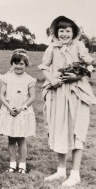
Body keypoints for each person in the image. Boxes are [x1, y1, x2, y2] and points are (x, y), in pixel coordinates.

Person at [39, 16, 96, 187]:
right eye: (61, 31)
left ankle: (75, 173)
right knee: (60, 128)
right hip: (58, 92)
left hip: (76, 92)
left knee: (76, 129)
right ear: (55, 33)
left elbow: (91, 65)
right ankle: (61, 170)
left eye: (68, 31)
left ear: (74, 32)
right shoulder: (51, 48)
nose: (64, 34)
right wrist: (52, 80)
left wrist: (77, 75)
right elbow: (44, 67)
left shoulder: (79, 46)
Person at [0, 49, 36, 174]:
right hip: (10, 110)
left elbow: (32, 97)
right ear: (12, 64)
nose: (18, 66)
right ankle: (12, 164)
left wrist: (22, 107)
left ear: (26, 64)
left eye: (21, 64)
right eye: (16, 63)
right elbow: (1, 95)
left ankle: (22, 165)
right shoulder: (6, 78)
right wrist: (8, 107)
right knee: (11, 139)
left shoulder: (29, 79)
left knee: (21, 139)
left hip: (22, 112)